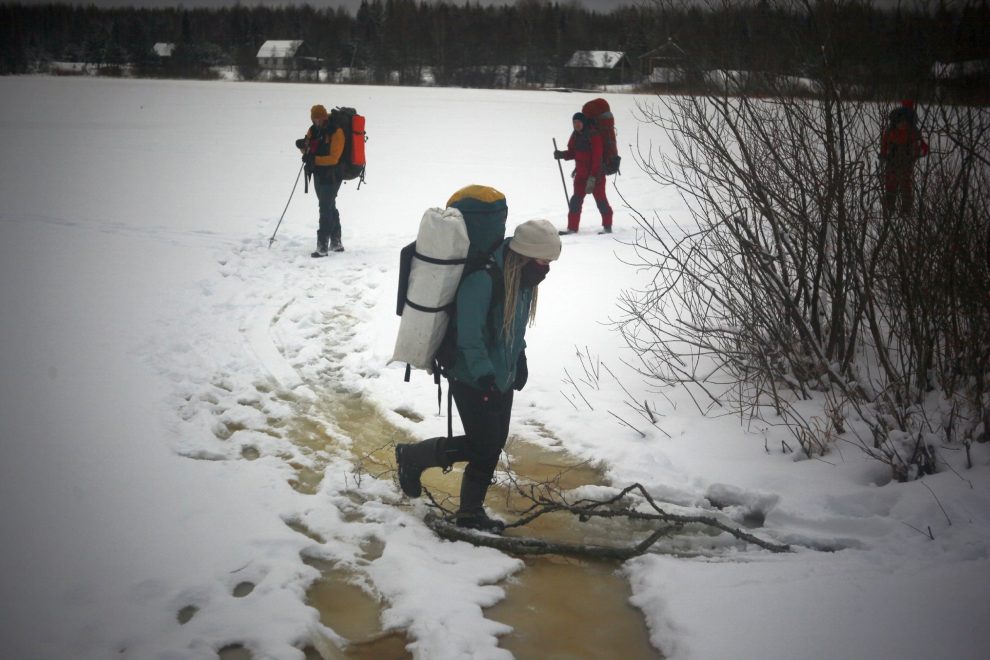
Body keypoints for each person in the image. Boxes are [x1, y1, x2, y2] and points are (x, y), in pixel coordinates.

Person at [394, 218, 562, 533]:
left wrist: (520, 357)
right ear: (525, 254)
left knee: (492, 444)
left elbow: (514, 324)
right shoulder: (482, 281)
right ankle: (413, 457)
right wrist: (485, 377)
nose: (546, 269)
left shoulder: (522, 280)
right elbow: (470, 337)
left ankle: (469, 513)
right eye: (543, 261)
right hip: (471, 376)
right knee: (482, 446)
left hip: (502, 375)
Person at [296, 104, 345, 256]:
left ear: (325, 116)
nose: (317, 121)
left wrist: (314, 160)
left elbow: (334, 158)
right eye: (314, 118)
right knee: (329, 206)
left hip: (333, 175)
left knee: (324, 207)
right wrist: (302, 148)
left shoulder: (337, 132)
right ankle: (336, 243)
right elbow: (308, 150)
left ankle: (322, 247)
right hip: (318, 174)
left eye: (319, 118)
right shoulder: (312, 130)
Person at [554, 112, 613, 235]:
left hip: (596, 176)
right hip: (581, 176)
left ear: (584, 122)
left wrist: (593, 177)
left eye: (579, 122)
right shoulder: (575, 136)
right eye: (574, 122)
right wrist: (562, 154)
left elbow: (597, 158)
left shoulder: (594, 136)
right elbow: (573, 153)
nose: (576, 125)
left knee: (601, 200)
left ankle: (607, 226)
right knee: (575, 201)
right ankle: (572, 228)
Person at [880, 99, 929, 216]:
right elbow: (884, 145)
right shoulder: (890, 133)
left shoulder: (913, 132)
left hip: (906, 166)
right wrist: (883, 155)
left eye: (905, 122)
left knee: (906, 188)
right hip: (891, 164)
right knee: (890, 187)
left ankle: (906, 211)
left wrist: (918, 153)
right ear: (895, 122)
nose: (903, 125)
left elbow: (922, 147)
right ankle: (889, 208)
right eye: (900, 122)